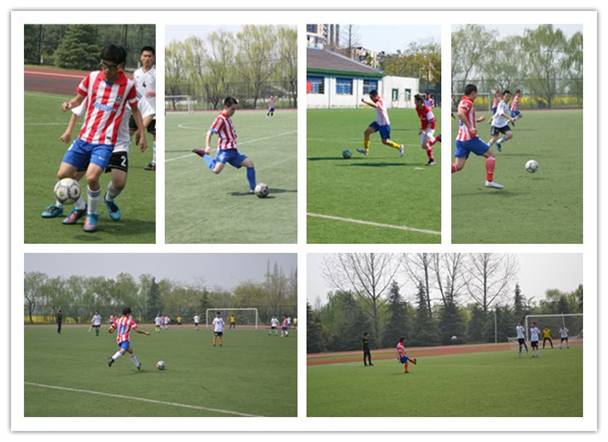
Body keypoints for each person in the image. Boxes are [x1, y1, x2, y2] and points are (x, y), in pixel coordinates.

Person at [41, 45, 147, 232]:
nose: (105, 69)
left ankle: (92, 214)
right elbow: (78, 99)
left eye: (109, 66)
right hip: (84, 138)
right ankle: (80, 206)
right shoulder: (92, 77)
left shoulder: (128, 86)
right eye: (102, 65)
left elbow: (136, 110)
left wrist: (142, 134)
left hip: (105, 142)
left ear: (119, 67)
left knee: (91, 177)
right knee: (63, 174)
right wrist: (68, 104)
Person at [47, 91, 154, 224]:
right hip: (92, 141)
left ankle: (108, 199)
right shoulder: (95, 87)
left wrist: (141, 132)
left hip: (118, 144)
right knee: (69, 175)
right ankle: (63, 205)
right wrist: (68, 131)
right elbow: (77, 109)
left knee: (119, 183)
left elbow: (148, 112)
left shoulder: (129, 90)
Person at [192, 97, 258, 193]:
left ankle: (253, 188)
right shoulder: (220, 119)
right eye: (232, 109)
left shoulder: (228, 118)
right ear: (226, 107)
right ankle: (204, 156)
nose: (234, 111)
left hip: (233, 151)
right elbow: (209, 132)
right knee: (216, 170)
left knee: (250, 164)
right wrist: (207, 146)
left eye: (235, 109)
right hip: (224, 151)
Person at [451, 84, 504, 189]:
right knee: (491, 155)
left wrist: (476, 121)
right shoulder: (468, 102)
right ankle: (489, 181)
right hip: (470, 139)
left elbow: (464, 116)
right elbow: (460, 114)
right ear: (473, 93)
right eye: (476, 93)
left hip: (460, 140)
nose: (476, 95)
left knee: (458, 166)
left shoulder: (463, 101)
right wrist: (470, 127)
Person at [356, 90, 404, 157]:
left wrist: (365, 102)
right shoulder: (377, 100)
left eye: (371, 97)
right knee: (366, 132)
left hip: (384, 124)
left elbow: (375, 106)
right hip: (378, 123)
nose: (371, 99)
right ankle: (365, 150)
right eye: (370, 97)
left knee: (384, 141)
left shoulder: (380, 101)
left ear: (376, 96)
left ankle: (399, 147)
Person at [132, 46, 157, 171]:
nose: (147, 58)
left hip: (154, 110)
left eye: (149, 56)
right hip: (138, 109)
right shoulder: (136, 73)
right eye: (145, 56)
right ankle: (118, 159)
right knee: (128, 132)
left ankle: (155, 162)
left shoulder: (157, 74)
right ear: (141, 57)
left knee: (156, 135)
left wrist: (156, 93)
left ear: (153, 58)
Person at [414, 93, 441, 166]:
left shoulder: (427, 109)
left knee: (426, 144)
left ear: (420, 101)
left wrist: (425, 130)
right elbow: (422, 119)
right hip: (424, 128)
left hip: (431, 127)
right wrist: (421, 128)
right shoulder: (417, 108)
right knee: (423, 146)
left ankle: (432, 160)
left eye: (415, 100)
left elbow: (431, 121)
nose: (414, 102)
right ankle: (438, 138)